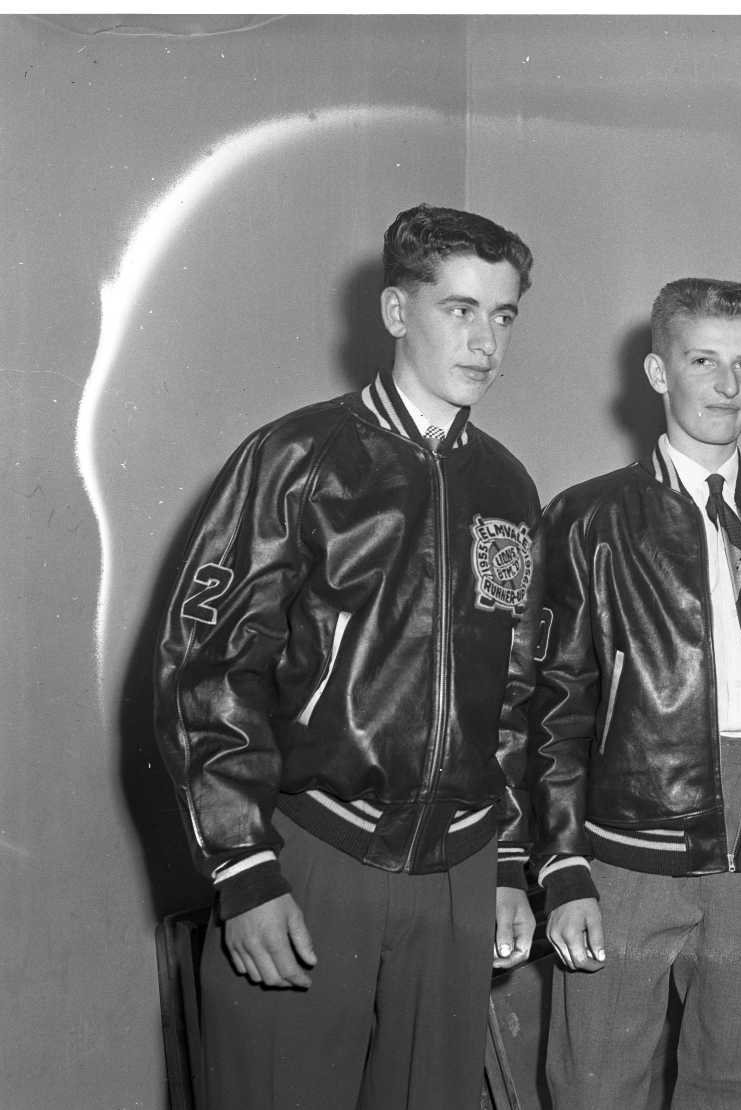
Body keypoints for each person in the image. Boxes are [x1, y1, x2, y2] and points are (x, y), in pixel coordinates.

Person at [154, 203, 541, 1109]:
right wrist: (245, 869)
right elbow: (208, 667)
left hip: (460, 872)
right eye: (459, 310)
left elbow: (514, 693)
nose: (485, 341)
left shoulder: (508, 485)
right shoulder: (296, 458)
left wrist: (509, 862)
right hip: (315, 849)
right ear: (397, 311)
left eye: (504, 315)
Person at [528, 277, 741, 1110]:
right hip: (625, 851)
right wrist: (563, 862)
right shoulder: (589, 519)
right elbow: (554, 708)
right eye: (703, 360)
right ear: (658, 371)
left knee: (739, 1088)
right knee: (596, 1085)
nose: (726, 384)